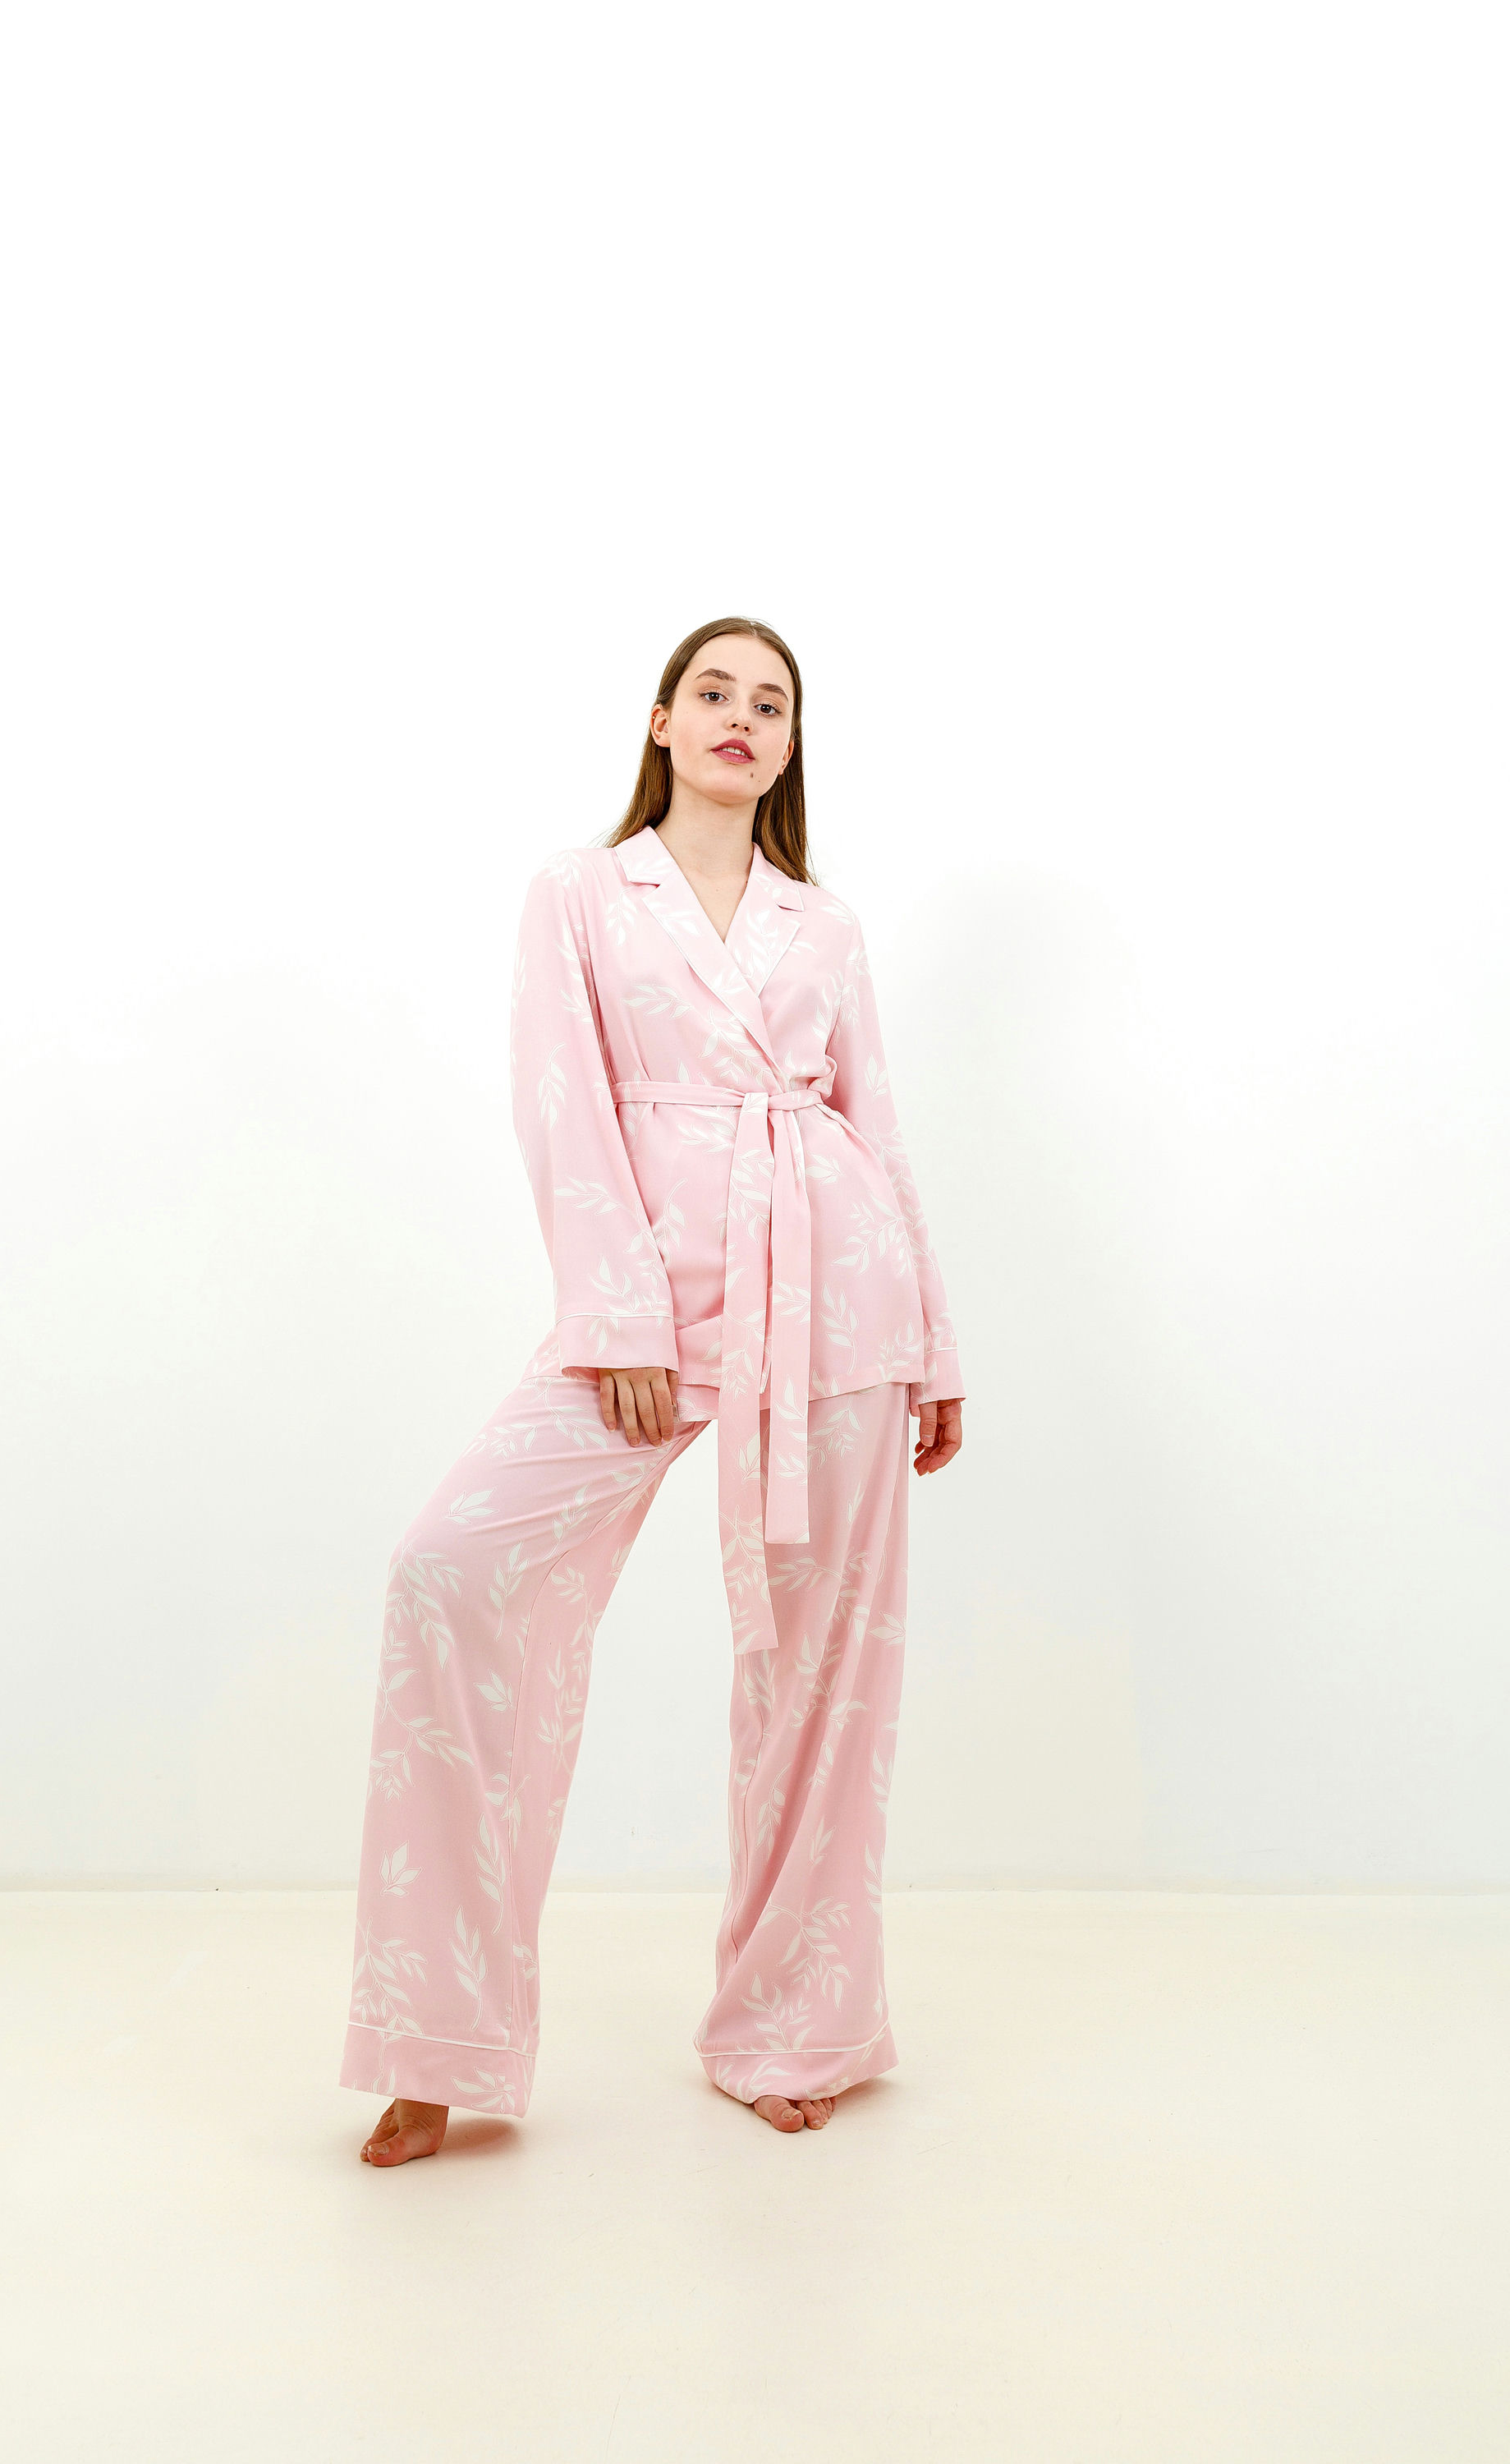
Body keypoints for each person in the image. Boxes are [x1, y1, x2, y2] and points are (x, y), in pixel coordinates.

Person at [342, 616, 966, 2163]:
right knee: (453, 1572)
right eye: (715, 693)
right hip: (655, 1298)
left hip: (838, 1295)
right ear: (663, 720)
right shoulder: (580, 892)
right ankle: (439, 2039)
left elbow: (874, 1122)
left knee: (821, 1679)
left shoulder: (825, 926)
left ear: (792, 743)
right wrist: (618, 1315)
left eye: (773, 703)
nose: (743, 717)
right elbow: (557, 1098)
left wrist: (936, 1341)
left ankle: (795, 2025)